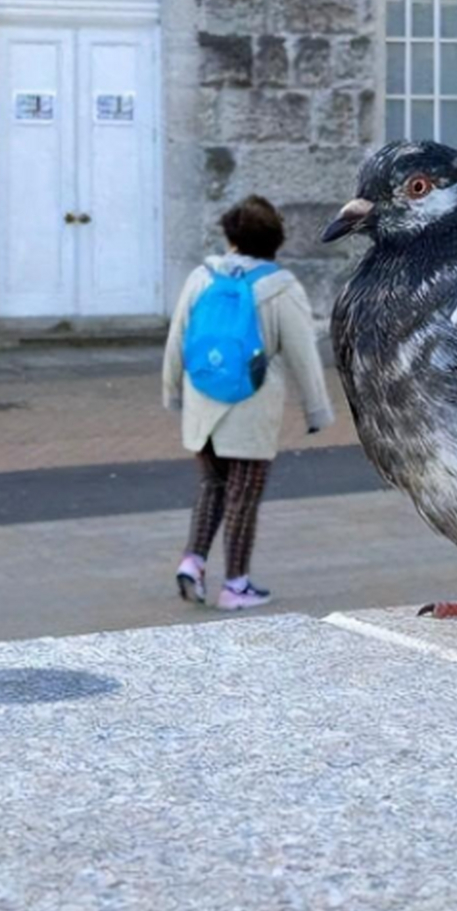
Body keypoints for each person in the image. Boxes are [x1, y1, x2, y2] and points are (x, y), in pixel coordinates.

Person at [162, 195, 334, 610]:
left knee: (211, 486)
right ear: (275, 240)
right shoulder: (280, 287)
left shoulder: (201, 277)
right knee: (243, 496)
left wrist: (172, 391)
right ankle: (235, 585)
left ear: (231, 235)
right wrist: (317, 411)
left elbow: (177, 340)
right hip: (252, 407)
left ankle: (193, 561)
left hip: (204, 403)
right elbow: (302, 354)